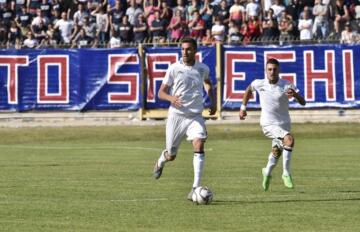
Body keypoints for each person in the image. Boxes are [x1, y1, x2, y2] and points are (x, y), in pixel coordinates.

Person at [153, 37, 217, 201]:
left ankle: (195, 188)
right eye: (183, 49)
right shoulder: (174, 68)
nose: (185, 52)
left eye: (188, 49)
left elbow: (208, 83)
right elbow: (160, 92)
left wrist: (213, 101)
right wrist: (170, 98)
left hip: (195, 115)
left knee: (199, 143)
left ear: (195, 51)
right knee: (171, 155)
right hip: (177, 116)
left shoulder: (202, 68)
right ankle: (161, 160)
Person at [239, 58, 306, 191]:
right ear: (266, 70)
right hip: (268, 124)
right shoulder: (259, 83)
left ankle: (267, 172)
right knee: (289, 140)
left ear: (279, 70)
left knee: (276, 152)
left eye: (275, 69)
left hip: (284, 124)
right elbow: (248, 90)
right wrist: (243, 107)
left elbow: (303, 102)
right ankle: (286, 173)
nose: (272, 72)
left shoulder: (287, 85)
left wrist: (295, 95)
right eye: (269, 69)